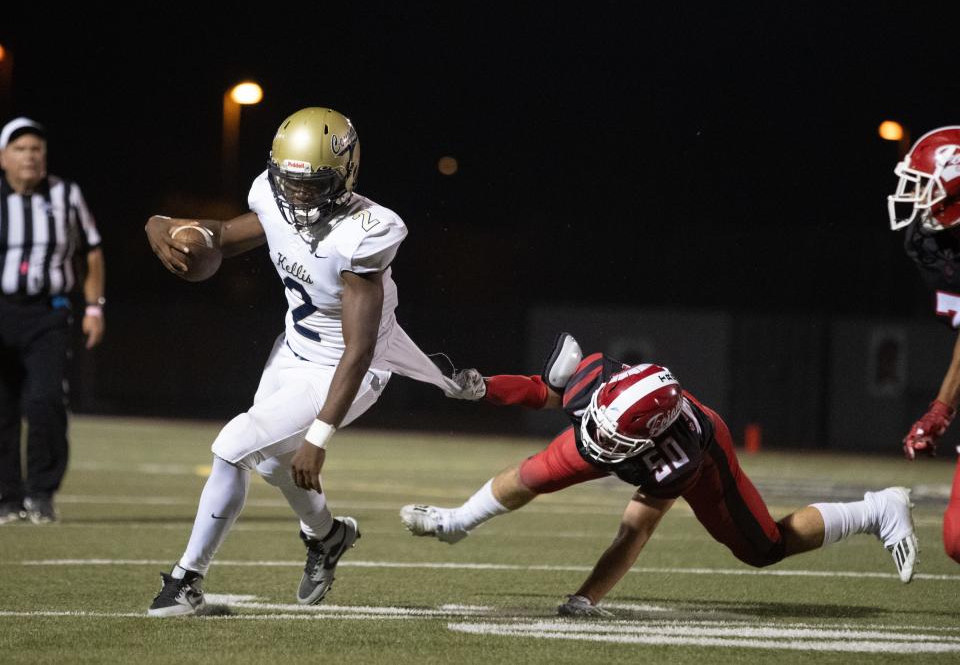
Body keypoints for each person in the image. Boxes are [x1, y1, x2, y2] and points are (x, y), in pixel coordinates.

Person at [143, 107, 467, 617]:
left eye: (312, 184)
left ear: (345, 175)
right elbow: (223, 238)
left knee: (232, 447)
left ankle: (187, 580)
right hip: (291, 350)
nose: (296, 195)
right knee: (272, 464)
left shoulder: (367, 230)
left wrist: (319, 439)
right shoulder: (271, 196)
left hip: (347, 368)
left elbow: (358, 349)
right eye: (288, 182)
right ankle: (328, 536)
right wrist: (159, 224)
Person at [401, 333, 919, 616]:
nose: (597, 444)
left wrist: (586, 597)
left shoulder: (680, 456)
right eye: (597, 426)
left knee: (762, 548)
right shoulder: (596, 387)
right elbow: (543, 390)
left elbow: (636, 529)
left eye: (612, 440)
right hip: (635, 426)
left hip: (706, 453)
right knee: (534, 473)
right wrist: (484, 387)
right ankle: (456, 523)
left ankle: (877, 508)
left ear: (646, 440)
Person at [0, 117, 106, 526]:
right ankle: (7, 496)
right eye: (21, 149)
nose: (30, 156)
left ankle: (41, 493)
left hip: (48, 311)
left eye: (36, 149)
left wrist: (94, 307)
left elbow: (92, 251)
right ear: (4, 157)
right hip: (2, 309)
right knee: (3, 406)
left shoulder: (66, 194)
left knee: (44, 400)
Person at [888, 125, 960, 565]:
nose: (916, 198)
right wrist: (941, 409)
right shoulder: (935, 246)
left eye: (926, 187)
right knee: (957, 542)